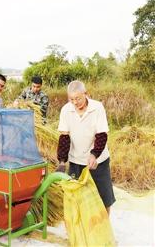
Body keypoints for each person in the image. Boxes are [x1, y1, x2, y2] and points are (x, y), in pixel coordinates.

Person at [56, 80, 115, 214]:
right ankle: (81, 228)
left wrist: (94, 154)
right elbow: (64, 138)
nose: (75, 102)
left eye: (78, 98)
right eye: (71, 99)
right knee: (77, 196)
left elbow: (101, 135)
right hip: (76, 160)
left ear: (86, 94)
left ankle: (102, 227)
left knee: (103, 196)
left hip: (98, 160)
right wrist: (62, 161)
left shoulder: (97, 107)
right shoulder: (66, 110)